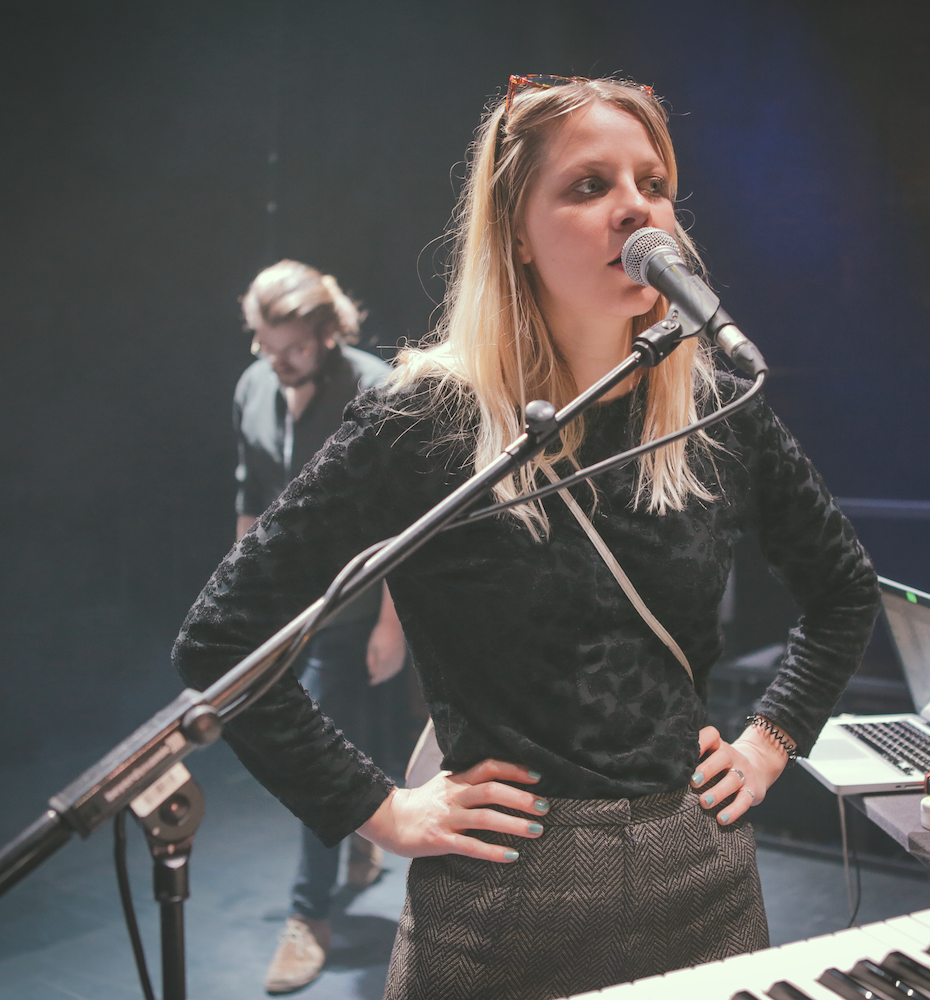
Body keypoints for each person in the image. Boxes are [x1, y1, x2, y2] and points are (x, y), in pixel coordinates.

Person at [176, 77, 880, 1000]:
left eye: (653, 182)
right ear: (513, 229)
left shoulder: (713, 404)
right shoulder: (420, 417)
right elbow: (223, 639)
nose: (636, 206)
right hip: (501, 899)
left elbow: (843, 591)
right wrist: (377, 809)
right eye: (589, 186)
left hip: (702, 878)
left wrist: (769, 741)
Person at [232, 260, 409, 994]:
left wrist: (392, 624)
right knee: (330, 737)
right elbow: (250, 496)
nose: (277, 363)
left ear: (329, 334)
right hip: (290, 598)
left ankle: (310, 916)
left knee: (324, 744)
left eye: (293, 350)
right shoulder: (252, 386)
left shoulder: (374, 387)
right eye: (265, 347)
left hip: (361, 597)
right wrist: (236, 602)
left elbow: (404, 519)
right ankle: (356, 852)